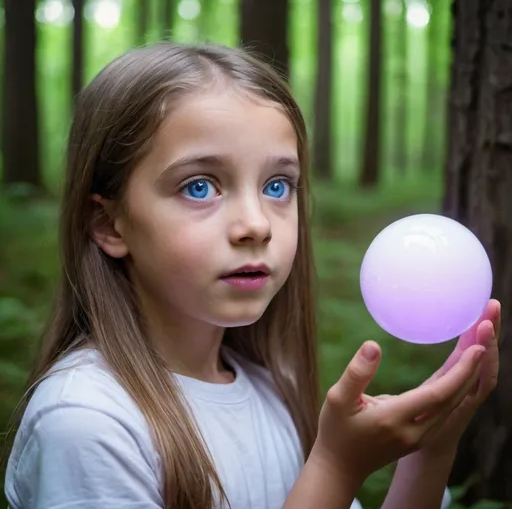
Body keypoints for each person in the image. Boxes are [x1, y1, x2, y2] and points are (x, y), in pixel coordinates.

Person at [4, 42, 500, 509]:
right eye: (200, 186)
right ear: (109, 224)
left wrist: (430, 452)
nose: (256, 224)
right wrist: (335, 466)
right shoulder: (86, 422)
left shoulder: (270, 390)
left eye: (277, 185)